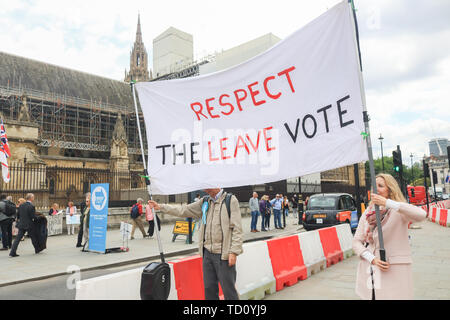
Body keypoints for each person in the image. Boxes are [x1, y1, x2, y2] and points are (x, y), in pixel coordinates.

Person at [148, 188, 243, 300]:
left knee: (229, 291)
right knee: (209, 289)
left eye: (207, 186)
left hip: (223, 254)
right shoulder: (205, 201)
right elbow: (184, 210)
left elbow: (237, 228)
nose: (204, 189)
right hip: (207, 254)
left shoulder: (230, 200)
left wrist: (234, 252)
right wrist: (161, 207)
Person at [352, 173, 427, 300]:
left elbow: (421, 214)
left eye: (380, 186)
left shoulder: (399, 211)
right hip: (371, 271)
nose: (376, 189)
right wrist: (372, 259)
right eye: (374, 186)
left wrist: (388, 203)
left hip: (395, 271)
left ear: (390, 189)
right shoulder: (368, 212)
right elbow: (356, 242)